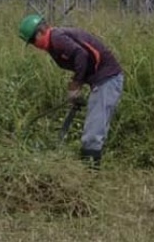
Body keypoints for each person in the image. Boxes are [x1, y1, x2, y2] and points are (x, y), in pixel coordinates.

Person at [17, 14, 124, 169]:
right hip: (101, 81)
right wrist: (76, 89)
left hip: (108, 79)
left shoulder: (56, 37)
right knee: (94, 130)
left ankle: (90, 177)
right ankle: (90, 171)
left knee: (93, 133)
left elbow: (81, 54)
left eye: (33, 41)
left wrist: (77, 84)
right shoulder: (54, 43)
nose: (35, 45)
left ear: (40, 33)